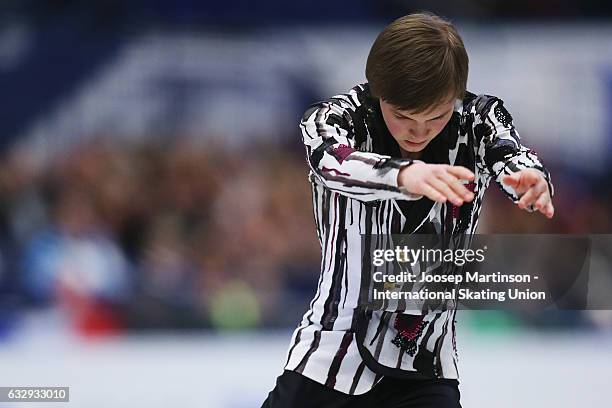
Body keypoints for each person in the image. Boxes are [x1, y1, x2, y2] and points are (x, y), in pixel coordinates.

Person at [262, 12, 554, 408]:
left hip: (426, 359)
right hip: (332, 352)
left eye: (436, 116)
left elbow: (511, 151)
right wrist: (402, 175)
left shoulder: (480, 117)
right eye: (402, 116)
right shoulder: (334, 116)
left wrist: (529, 176)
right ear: (378, 90)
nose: (418, 130)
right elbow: (329, 161)